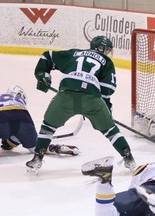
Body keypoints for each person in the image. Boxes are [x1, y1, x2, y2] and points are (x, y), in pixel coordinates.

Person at [26, 35, 136, 173]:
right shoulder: (106, 61)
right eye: (106, 50)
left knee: (48, 125)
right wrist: (106, 109)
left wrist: (43, 75)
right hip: (91, 98)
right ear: (99, 48)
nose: (107, 53)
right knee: (110, 131)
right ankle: (129, 159)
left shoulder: (74, 53)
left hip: (66, 93)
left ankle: (37, 158)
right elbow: (107, 88)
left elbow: (47, 56)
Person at [0, 85, 80, 164]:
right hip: (24, 119)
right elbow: (10, 143)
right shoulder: (21, 101)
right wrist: (7, 145)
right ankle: (55, 148)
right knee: (36, 148)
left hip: (2, 117)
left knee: (2, 132)